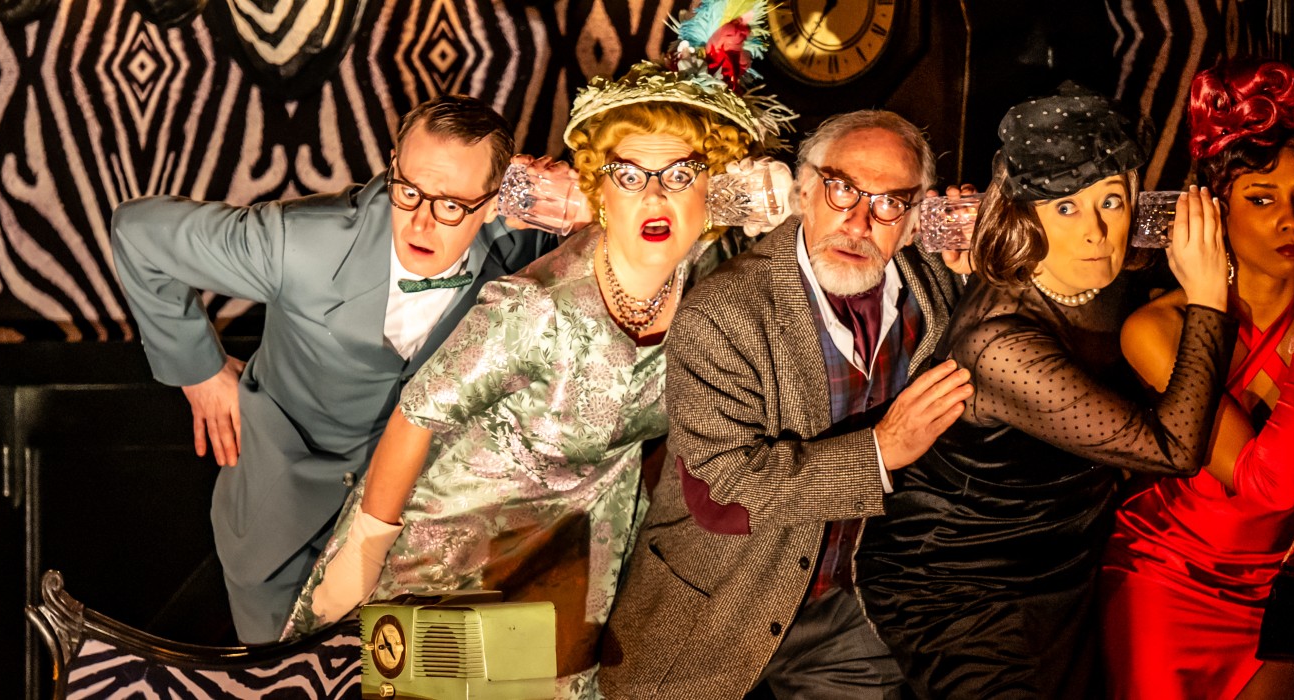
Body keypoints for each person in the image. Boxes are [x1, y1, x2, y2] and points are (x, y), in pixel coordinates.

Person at [280, 2, 789, 695]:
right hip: (453, 544)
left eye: (679, 176)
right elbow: (417, 415)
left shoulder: (709, 288)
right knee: (429, 689)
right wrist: (364, 550)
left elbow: (807, 202)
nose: (654, 197)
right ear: (597, 191)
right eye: (629, 177)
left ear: (714, 188)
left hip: (573, 548)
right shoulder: (536, 309)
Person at [109, 95, 556, 642]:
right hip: (289, 533)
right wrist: (198, 372)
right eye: (409, 191)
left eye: (450, 207)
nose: (420, 221)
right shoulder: (300, 243)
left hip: (439, 537)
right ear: (392, 165)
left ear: (492, 203)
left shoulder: (523, 241)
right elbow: (140, 232)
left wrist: (580, 199)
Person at [854, 83, 1238, 699]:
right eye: (1065, 208)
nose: (1095, 232)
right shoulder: (1000, 346)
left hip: (1060, 562)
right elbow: (1175, 450)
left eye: (1111, 202)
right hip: (962, 583)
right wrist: (1208, 298)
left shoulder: (1098, 272)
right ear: (1025, 212)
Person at [598, 109, 969, 699]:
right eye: (841, 189)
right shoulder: (722, 311)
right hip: (718, 600)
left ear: (917, 214)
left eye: (888, 203)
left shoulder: (944, 287)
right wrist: (880, 451)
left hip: (857, 612)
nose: (858, 222)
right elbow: (724, 493)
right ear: (802, 191)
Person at [1098, 59, 1294, 700]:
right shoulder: (1156, 328)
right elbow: (1269, 484)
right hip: (1165, 580)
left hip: (1283, 589)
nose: (1292, 218)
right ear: (1214, 206)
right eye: (1262, 198)